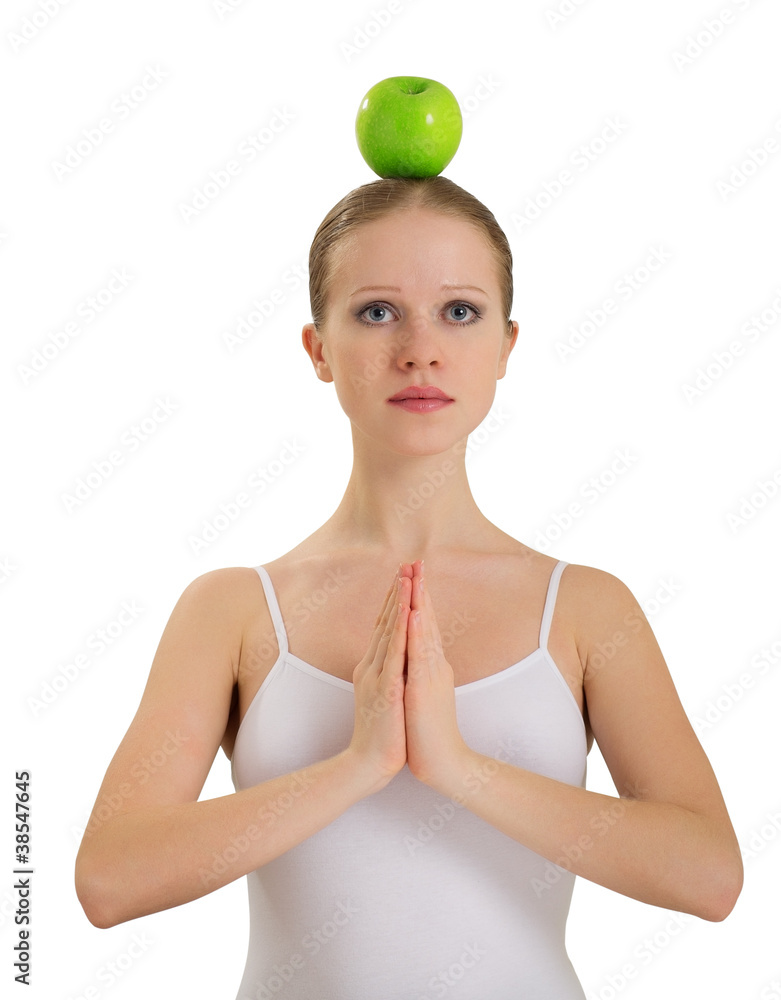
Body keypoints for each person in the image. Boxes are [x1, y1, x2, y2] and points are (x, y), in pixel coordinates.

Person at [75, 176, 743, 998]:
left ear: (505, 345)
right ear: (318, 349)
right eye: (377, 311)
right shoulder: (232, 611)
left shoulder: (584, 609)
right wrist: (357, 764)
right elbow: (110, 880)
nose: (420, 349)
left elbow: (708, 877)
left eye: (459, 312)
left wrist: (458, 766)